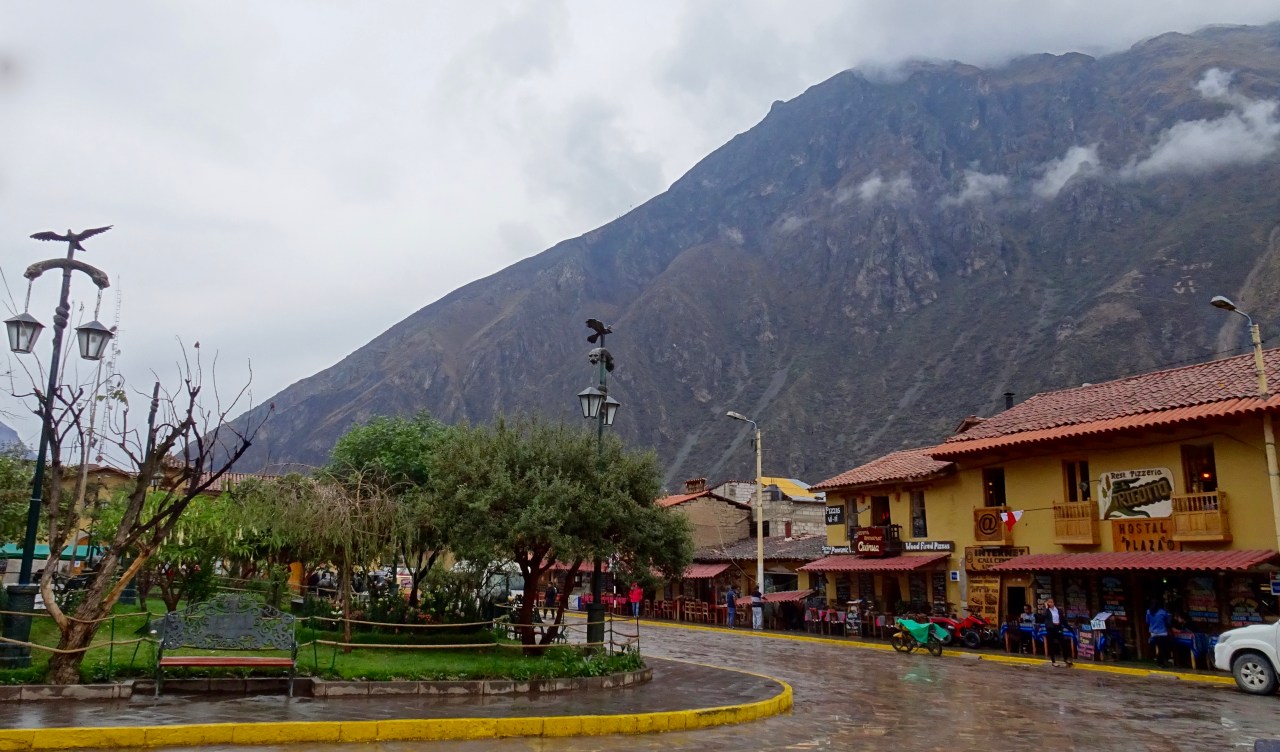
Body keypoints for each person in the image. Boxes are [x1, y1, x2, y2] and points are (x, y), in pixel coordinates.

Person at [1042, 598, 1071, 666]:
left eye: (1051, 602)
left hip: (1058, 628)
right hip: (1051, 628)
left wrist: (1068, 627)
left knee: (1063, 643)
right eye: (1049, 602)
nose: (1050, 603)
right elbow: (1044, 616)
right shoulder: (1046, 610)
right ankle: (1053, 661)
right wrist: (1046, 607)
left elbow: (1063, 619)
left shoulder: (1058, 610)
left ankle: (1066, 659)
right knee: (1051, 645)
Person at [1146, 599, 1172, 668]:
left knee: (1159, 648)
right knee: (1162, 648)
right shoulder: (1163, 612)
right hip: (1162, 633)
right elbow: (1168, 622)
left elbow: (1147, 621)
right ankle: (1160, 663)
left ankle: (1159, 661)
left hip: (1153, 633)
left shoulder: (1148, 611)